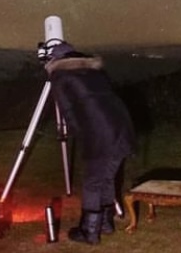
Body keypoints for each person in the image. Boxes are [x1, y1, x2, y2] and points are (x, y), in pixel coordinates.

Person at [45, 41, 136, 245]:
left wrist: (81, 136)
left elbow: (68, 111)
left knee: (93, 182)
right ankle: (105, 224)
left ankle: (89, 232)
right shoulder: (94, 72)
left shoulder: (60, 76)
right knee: (107, 178)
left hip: (100, 132)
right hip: (121, 127)